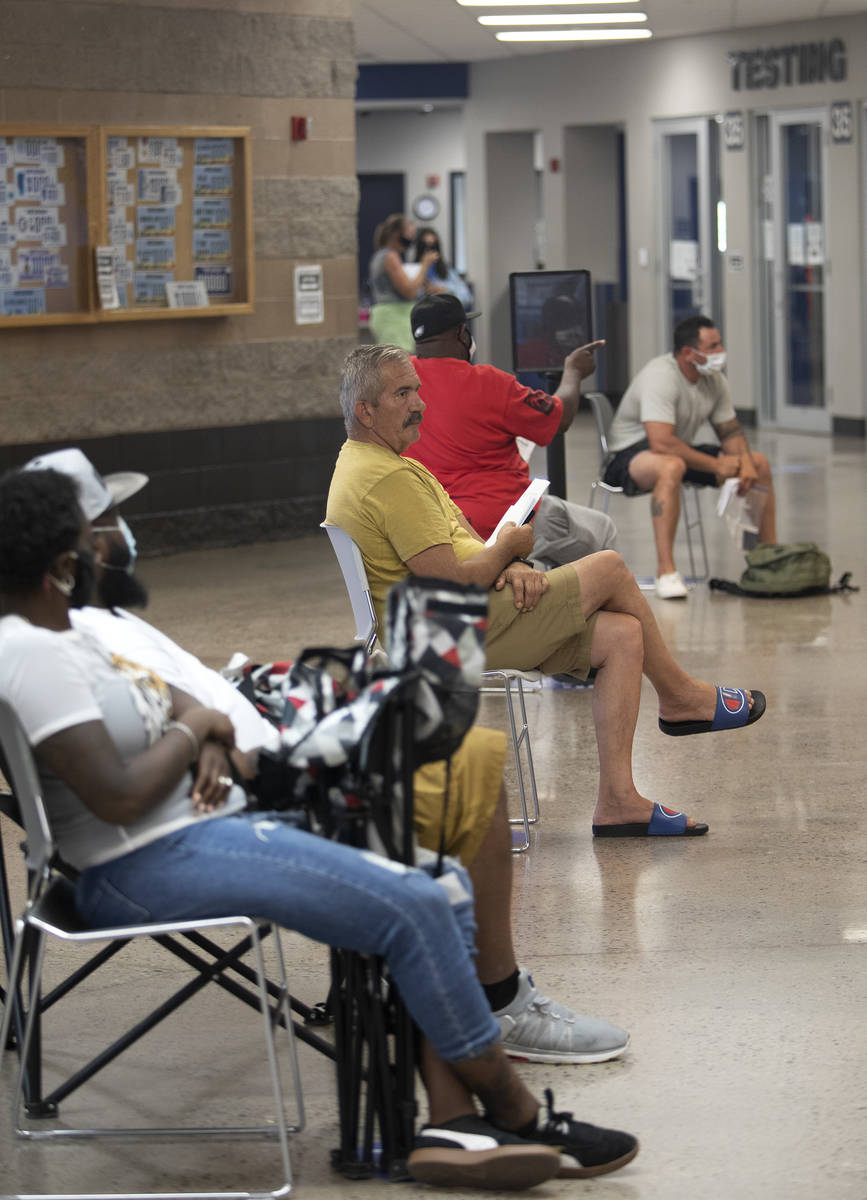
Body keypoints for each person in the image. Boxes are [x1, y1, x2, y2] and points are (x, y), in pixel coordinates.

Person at [0, 466, 640, 1189]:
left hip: (198, 826)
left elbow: (184, 701)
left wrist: (202, 729)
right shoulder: (28, 652)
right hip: (139, 866)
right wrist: (194, 735)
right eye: (93, 537)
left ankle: (453, 1125)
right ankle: (516, 1111)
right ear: (61, 563)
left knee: (440, 878)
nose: (105, 547)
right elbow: (117, 795)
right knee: (419, 901)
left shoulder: (79, 633)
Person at [326, 344, 769, 839]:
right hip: (452, 630)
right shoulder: (385, 479)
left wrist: (507, 563)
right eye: (402, 394)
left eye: (417, 390)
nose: (420, 404)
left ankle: (619, 802)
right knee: (609, 567)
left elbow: (459, 547)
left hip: (451, 617)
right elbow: (447, 581)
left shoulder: (371, 460)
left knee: (623, 636)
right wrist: (509, 547)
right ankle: (681, 697)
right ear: (365, 411)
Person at [405, 293, 617, 565]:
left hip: (436, 526)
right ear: (461, 333)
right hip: (506, 517)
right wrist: (573, 372)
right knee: (603, 531)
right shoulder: (490, 383)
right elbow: (558, 418)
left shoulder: (401, 383)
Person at [604, 315, 778, 600]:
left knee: (758, 464)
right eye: (713, 346)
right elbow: (660, 442)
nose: (720, 352)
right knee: (671, 466)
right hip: (629, 454)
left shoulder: (714, 380)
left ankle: (770, 558)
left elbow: (730, 430)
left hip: (677, 449)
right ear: (688, 353)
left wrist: (744, 462)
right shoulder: (660, 376)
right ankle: (666, 572)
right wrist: (716, 465)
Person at [368, 213, 445, 351]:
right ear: (396, 234)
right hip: (394, 318)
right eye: (409, 234)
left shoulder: (381, 255)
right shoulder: (390, 256)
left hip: (393, 316)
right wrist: (425, 265)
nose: (411, 239)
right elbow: (409, 292)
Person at [412, 227, 474, 311]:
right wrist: (424, 292)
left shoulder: (447, 271)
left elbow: (467, 298)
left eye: (433, 247)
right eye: (425, 246)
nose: (429, 251)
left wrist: (446, 292)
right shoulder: (412, 271)